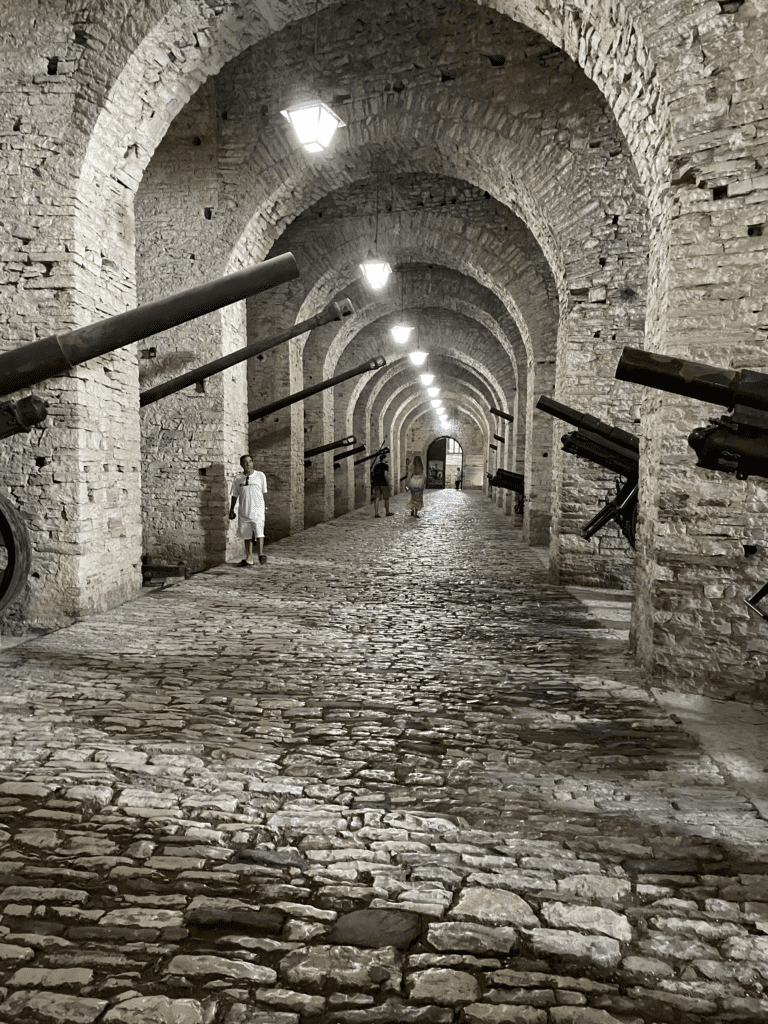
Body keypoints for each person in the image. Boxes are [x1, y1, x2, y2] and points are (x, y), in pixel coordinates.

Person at [229, 454, 268, 566]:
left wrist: (265, 507)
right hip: (244, 512)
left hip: (258, 511)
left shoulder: (260, 476)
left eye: (250, 461)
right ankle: (249, 558)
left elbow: (264, 493)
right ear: (241, 465)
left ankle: (261, 554)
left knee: (259, 533)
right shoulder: (238, 478)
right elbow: (234, 495)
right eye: (245, 462)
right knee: (246, 535)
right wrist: (231, 509)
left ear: (252, 463)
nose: (248, 464)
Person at [370, 453, 394, 518]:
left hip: (377, 484)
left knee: (377, 498)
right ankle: (387, 512)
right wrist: (389, 484)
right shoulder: (386, 466)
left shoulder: (376, 466)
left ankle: (376, 513)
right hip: (384, 484)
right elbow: (385, 475)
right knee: (386, 498)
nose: (387, 459)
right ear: (383, 459)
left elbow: (373, 474)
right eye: (386, 458)